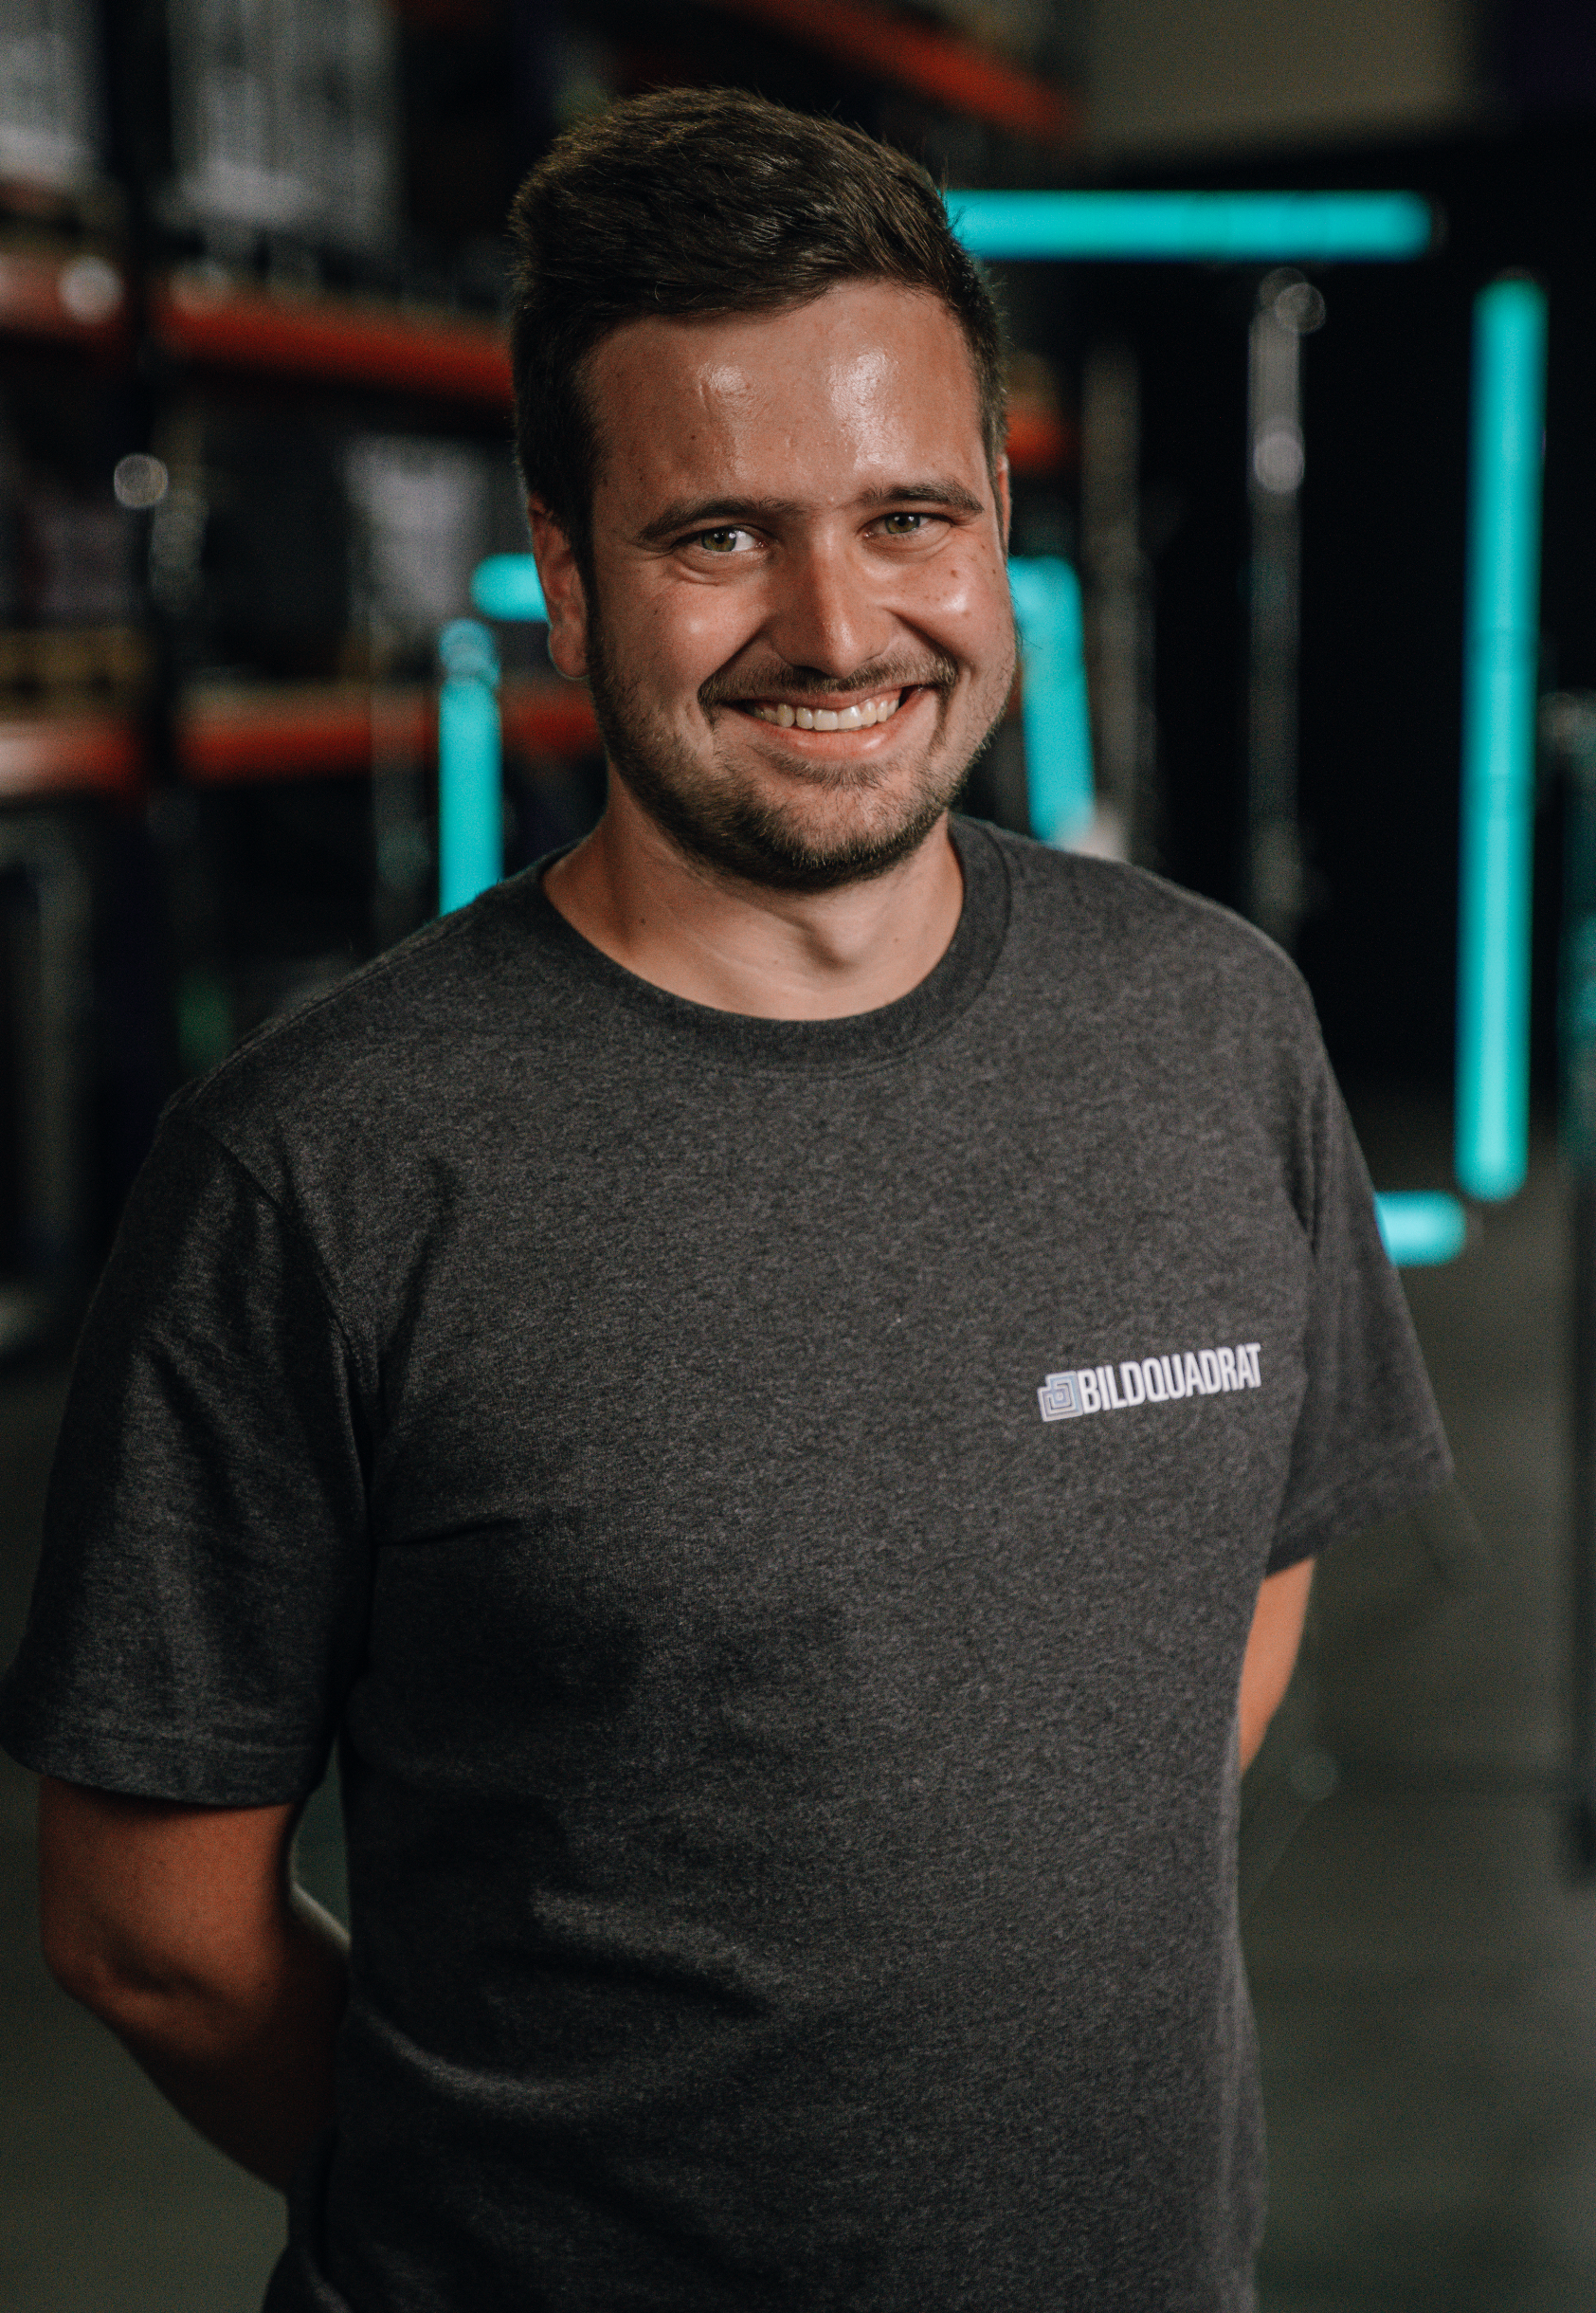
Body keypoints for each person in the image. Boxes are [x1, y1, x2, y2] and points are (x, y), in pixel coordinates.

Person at [0, 88, 1450, 2312]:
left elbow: (1246, 1561)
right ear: (567, 569)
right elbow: (150, 1930)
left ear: (991, 518)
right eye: (714, 537)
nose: (835, 621)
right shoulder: (325, 1163)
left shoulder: (1206, 1024)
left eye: (905, 514)